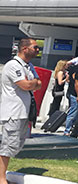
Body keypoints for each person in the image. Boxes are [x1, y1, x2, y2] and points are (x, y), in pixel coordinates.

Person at [0, 38, 42, 184]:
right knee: (7, 146)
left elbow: (39, 83)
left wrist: (33, 83)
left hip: (24, 112)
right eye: (35, 47)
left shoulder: (29, 65)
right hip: (13, 113)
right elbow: (25, 85)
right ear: (25, 49)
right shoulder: (13, 65)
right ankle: (1, 178)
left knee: (16, 146)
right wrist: (33, 83)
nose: (38, 50)